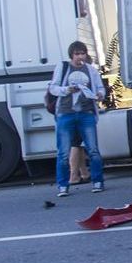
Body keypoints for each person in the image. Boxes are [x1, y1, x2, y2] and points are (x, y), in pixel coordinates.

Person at [49, 41, 107, 196]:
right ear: (71, 55)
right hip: (65, 112)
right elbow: (53, 88)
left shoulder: (91, 70)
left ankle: (97, 181)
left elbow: (100, 87)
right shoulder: (63, 68)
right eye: (77, 54)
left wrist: (100, 94)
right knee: (63, 151)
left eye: (82, 53)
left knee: (93, 149)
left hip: (85, 113)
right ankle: (62, 185)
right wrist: (67, 89)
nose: (80, 57)